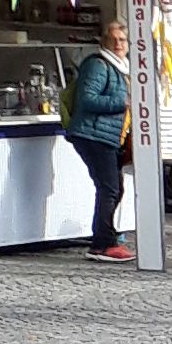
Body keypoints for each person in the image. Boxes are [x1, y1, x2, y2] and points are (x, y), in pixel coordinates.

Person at [63, 16, 132, 262]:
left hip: (107, 136)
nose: (119, 44)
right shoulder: (99, 65)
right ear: (104, 41)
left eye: (122, 39)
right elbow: (87, 99)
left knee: (114, 188)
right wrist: (122, 103)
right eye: (113, 40)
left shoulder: (122, 67)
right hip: (92, 134)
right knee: (109, 188)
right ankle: (103, 243)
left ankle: (107, 237)